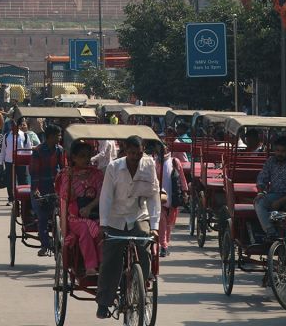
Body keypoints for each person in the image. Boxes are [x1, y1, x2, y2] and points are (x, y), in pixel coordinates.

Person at [96, 135, 160, 319]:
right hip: (115, 219)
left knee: (145, 241)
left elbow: (154, 198)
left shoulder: (149, 165)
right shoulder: (114, 167)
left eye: (138, 153)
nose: (135, 157)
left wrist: (155, 226)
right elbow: (106, 197)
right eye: (131, 153)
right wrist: (103, 224)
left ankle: (142, 282)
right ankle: (104, 302)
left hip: (138, 215)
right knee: (111, 260)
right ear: (125, 150)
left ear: (143, 150)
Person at [56, 141, 105, 274]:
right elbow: (66, 196)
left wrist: (90, 207)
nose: (86, 159)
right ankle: (90, 266)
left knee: (105, 229)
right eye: (82, 156)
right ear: (74, 158)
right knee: (85, 229)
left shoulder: (97, 174)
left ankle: (104, 264)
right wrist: (71, 179)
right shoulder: (67, 174)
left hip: (96, 214)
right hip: (75, 218)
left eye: (88, 156)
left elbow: (102, 194)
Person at [254, 136, 286, 242]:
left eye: (283, 151)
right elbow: (262, 179)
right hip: (274, 194)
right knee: (259, 202)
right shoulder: (271, 161)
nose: (279, 154)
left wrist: (279, 202)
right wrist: (260, 192)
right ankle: (271, 232)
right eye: (277, 150)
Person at [29, 124, 64, 257]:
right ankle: (44, 245)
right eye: (58, 135)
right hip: (40, 187)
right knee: (43, 217)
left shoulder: (60, 150)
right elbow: (34, 173)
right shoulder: (38, 151)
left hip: (55, 187)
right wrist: (35, 190)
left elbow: (63, 169)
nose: (59, 138)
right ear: (50, 137)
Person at [154, 142, 188, 257]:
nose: (161, 150)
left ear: (167, 148)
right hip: (160, 197)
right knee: (162, 222)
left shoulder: (174, 161)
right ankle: (163, 246)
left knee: (169, 224)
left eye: (163, 147)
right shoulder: (155, 162)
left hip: (173, 197)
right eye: (159, 148)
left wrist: (185, 192)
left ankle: (165, 244)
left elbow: (182, 178)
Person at [3, 116, 27, 204]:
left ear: (19, 126)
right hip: (9, 161)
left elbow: (28, 150)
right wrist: (1, 163)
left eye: (15, 124)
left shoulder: (24, 135)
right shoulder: (6, 136)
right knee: (10, 181)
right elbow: (3, 150)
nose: (13, 126)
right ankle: (11, 198)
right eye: (12, 124)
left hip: (21, 161)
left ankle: (22, 199)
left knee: (22, 180)